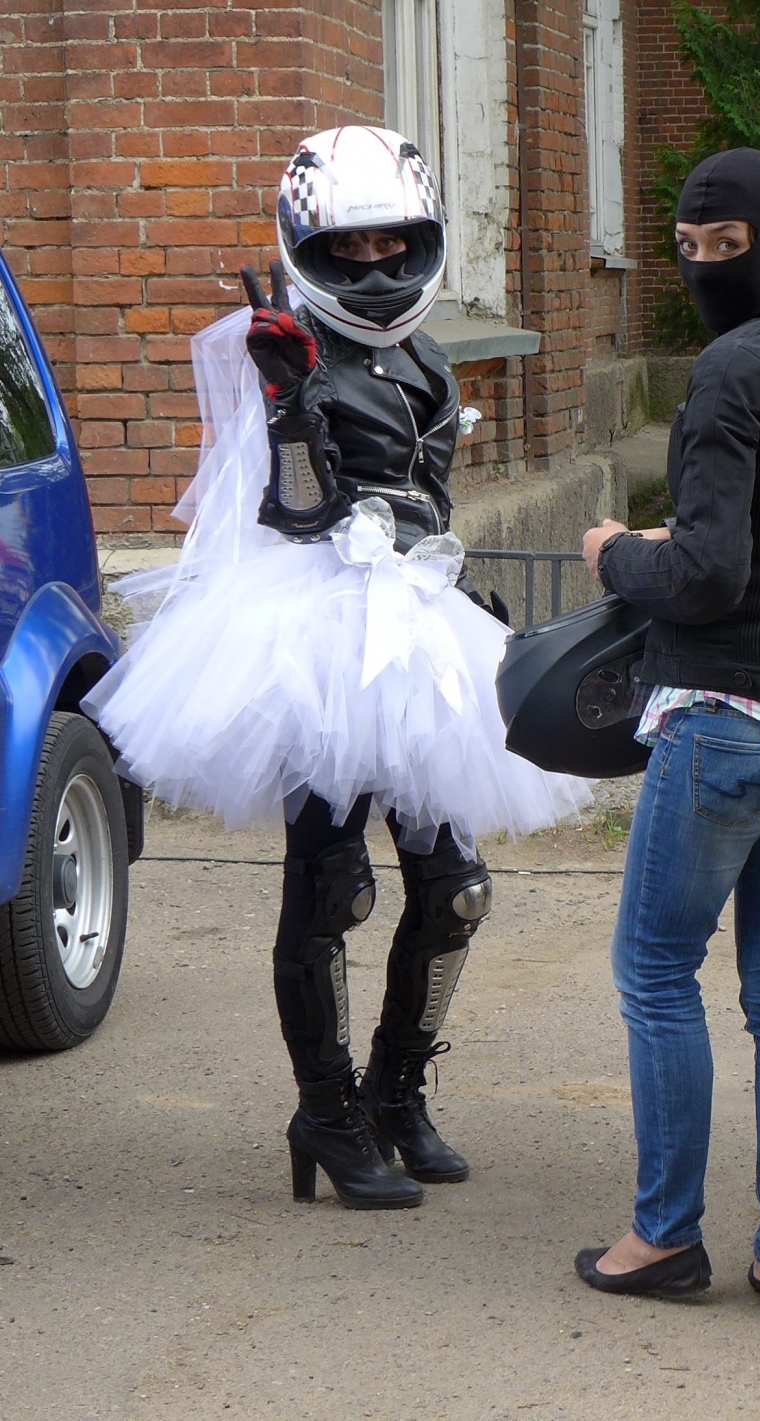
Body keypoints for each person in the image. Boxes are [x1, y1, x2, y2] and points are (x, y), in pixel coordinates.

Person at [83, 126, 591, 1210]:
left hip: (415, 622)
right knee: (332, 884)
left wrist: (454, 594)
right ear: (309, 246)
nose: (369, 263)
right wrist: (287, 403)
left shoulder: (431, 358)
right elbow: (296, 510)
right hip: (318, 634)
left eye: (387, 243)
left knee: (455, 892)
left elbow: (431, 503)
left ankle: (397, 1095)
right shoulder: (284, 346)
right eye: (346, 247)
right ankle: (325, 1111)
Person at [571, 147, 760, 1325]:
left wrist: (614, 552)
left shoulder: (729, 369)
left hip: (728, 724)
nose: (704, 268)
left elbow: (706, 575)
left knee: (655, 971)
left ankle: (662, 1234)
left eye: (725, 247)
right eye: (688, 249)